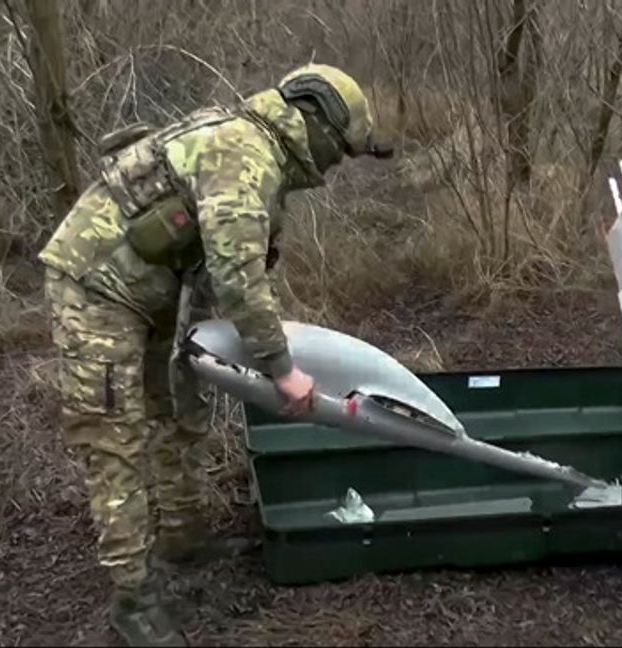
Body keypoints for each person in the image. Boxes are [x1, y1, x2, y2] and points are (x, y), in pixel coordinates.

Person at [38, 64, 390, 646]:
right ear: (316, 126)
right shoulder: (243, 155)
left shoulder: (254, 152)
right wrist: (283, 371)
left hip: (149, 291)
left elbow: (209, 270)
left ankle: (182, 538)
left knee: (179, 407)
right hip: (93, 289)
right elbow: (239, 280)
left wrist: (198, 350)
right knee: (114, 439)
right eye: (340, 152)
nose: (334, 166)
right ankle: (134, 601)